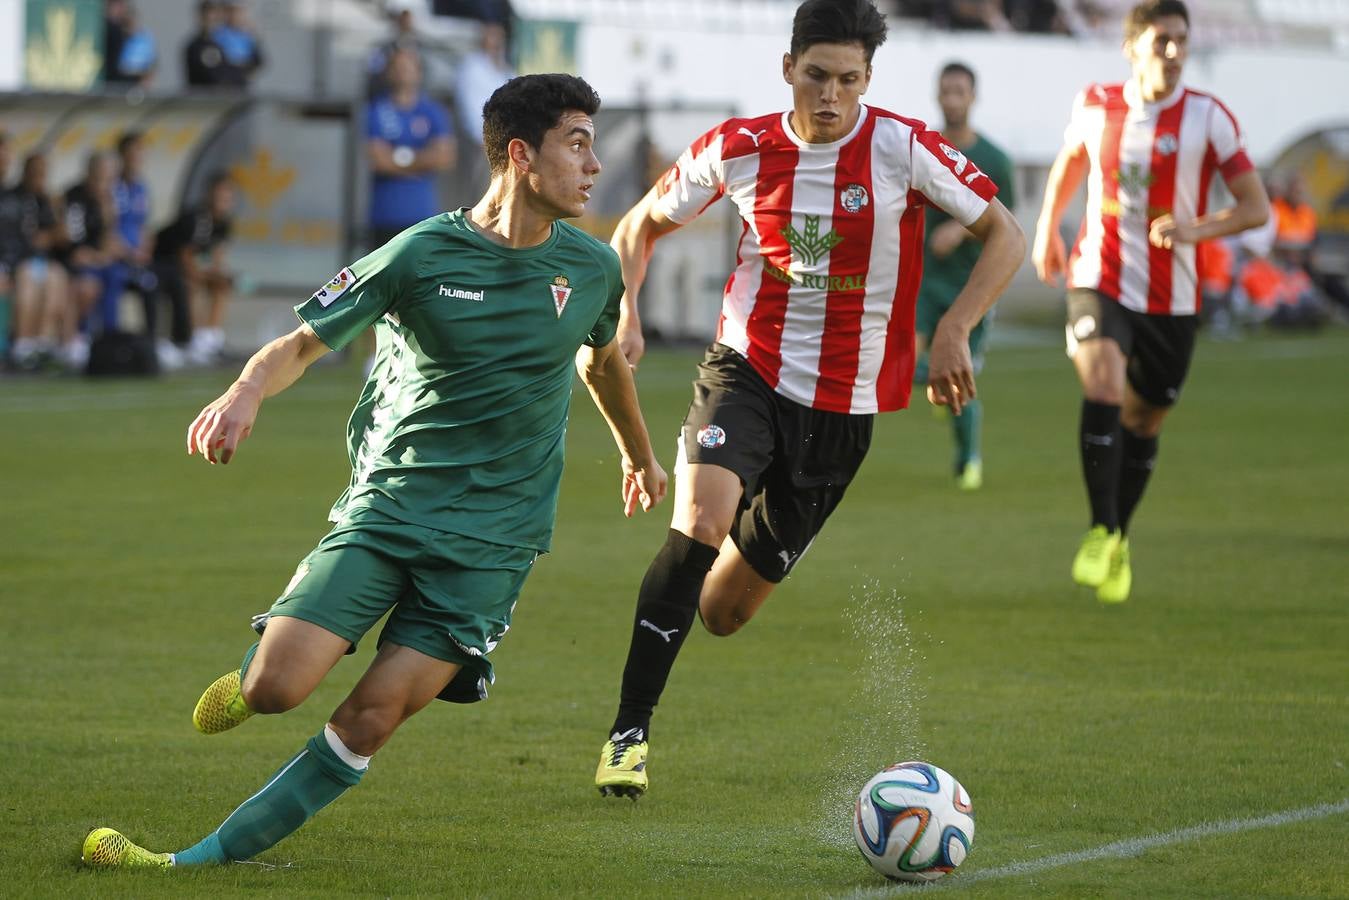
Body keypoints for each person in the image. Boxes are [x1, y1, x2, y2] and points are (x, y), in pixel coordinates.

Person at [81, 72, 668, 870]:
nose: (594, 165)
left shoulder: (593, 267)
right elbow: (302, 343)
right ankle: (253, 678)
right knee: (276, 690)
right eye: (577, 144)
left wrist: (638, 454)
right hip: (391, 508)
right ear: (522, 155)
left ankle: (193, 863)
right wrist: (244, 392)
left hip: (495, 543)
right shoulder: (420, 252)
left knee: (369, 719)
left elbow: (601, 363)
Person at [592, 0, 1024, 799]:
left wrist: (955, 327)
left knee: (722, 612)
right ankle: (628, 735)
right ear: (787, 67)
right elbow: (638, 227)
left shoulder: (901, 148)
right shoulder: (738, 148)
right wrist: (626, 313)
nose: (830, 94)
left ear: (868, 79)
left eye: (848, 80)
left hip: (841, 410)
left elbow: (1006, 233)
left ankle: (740, 535)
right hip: (745, 370)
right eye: (816, 75)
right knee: (699, 523)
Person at [1031, 0, 1269, 604]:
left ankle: (1119, 537)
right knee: (1104, 386)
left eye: (1181, 39)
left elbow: (1255, 208)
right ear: (1131, 46)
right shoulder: (1096, 104)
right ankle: (1100, 530)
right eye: (1162, 39)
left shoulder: (1209, 118)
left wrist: (1195, 230)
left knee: (1144, 421)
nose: (1174, 51)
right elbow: (1069, 163)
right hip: (1099, 275)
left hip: (1172, 297)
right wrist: (1046, 230)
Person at [913, 61, 1017, 491]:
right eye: (946, 91)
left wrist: (958, 230)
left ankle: (968, 458)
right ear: (937, 95)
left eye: (960, 91)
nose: (952, 99)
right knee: (902, 360)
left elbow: (1007, 227)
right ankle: (934, 378)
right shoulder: (923, 149)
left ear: (973, 97)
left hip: (970, 284)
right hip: (923, 280)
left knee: (959, 374)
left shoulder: (995, 160)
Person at [366, 46, 455, 248]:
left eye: (408, 67)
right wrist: (422, 161)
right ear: (388, 72)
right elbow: (379, 160)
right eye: (397, 67)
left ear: (419, 72)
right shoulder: (376, 111)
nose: (402, 72)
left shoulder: (433, 112)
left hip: (422, 217)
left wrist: (398, 158)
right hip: (384, 216)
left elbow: (445, 158)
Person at [149, 172, 237, 365]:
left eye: (228, 196)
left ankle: (210, 337)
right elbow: (185, 259)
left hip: (187, 266)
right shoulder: (196, 218)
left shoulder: (224, 223)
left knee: (221, 285)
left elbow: (217, 257)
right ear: (209, 195)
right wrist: (204, 275)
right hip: (162, 263)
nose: (224, 200)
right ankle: (192, 338)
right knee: (191, 285)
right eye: (220, 195)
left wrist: (218, 275)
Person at [3, 152, 70, 370]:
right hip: (16, 261)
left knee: (56, 277)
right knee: (28, 279)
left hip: (40, 261)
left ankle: (42, 342)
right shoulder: (11, 197)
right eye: (35, 172)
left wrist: (56, 210)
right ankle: (23, 343)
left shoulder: (45, 201)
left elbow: (62, 237)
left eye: (42, 173)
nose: (39, 177)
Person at [57, 152, 123, 369]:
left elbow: (108, 243)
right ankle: (80, 336)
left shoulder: (108, 200)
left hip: (97, 260)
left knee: (115, 275)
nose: (105, 183)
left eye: (109, 178)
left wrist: (107, 214)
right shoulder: (74, 197)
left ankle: (110, 338)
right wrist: (96, 256)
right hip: (73, 259)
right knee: (88, 284)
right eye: (101, 176)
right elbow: (73, 245)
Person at [454, 22, 515, 196]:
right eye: (492, 36)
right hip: (483, 143)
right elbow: (469, 107)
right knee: (484, 194)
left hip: (507, 142)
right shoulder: (471, 66)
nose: (496, 42)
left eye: (499, 37)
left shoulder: (506, 68)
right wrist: (484, 138)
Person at [184, 1, 244, 90]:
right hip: (205, 96)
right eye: (207, 16)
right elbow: (211, 76)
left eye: (215, 17)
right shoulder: (196, 47)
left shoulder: (221, 44)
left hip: (228, 95)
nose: (211, 20)